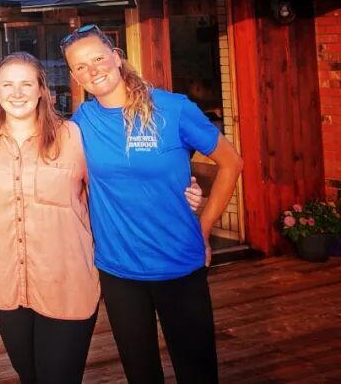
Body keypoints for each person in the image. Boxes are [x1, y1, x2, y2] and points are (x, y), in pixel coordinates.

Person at [60, 25, 244, 384]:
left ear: (117, 57)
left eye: (98, 59)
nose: (93, 71)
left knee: (197, 372)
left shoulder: (173, 109)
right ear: (74, 76)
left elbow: (231, 163)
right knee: (140, 373)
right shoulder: (81, 123)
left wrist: (204, 227)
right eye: (80, 66)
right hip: (118, 270)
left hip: (178, 264)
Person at [0, 53, 100, 384]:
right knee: (29, 376)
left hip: (67, 284)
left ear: (42, 90)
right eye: (7, 85)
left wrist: (184, 190)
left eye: (26, 84)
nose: (17, 93)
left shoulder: (73, 137)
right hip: (7, 286)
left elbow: (112, 190)